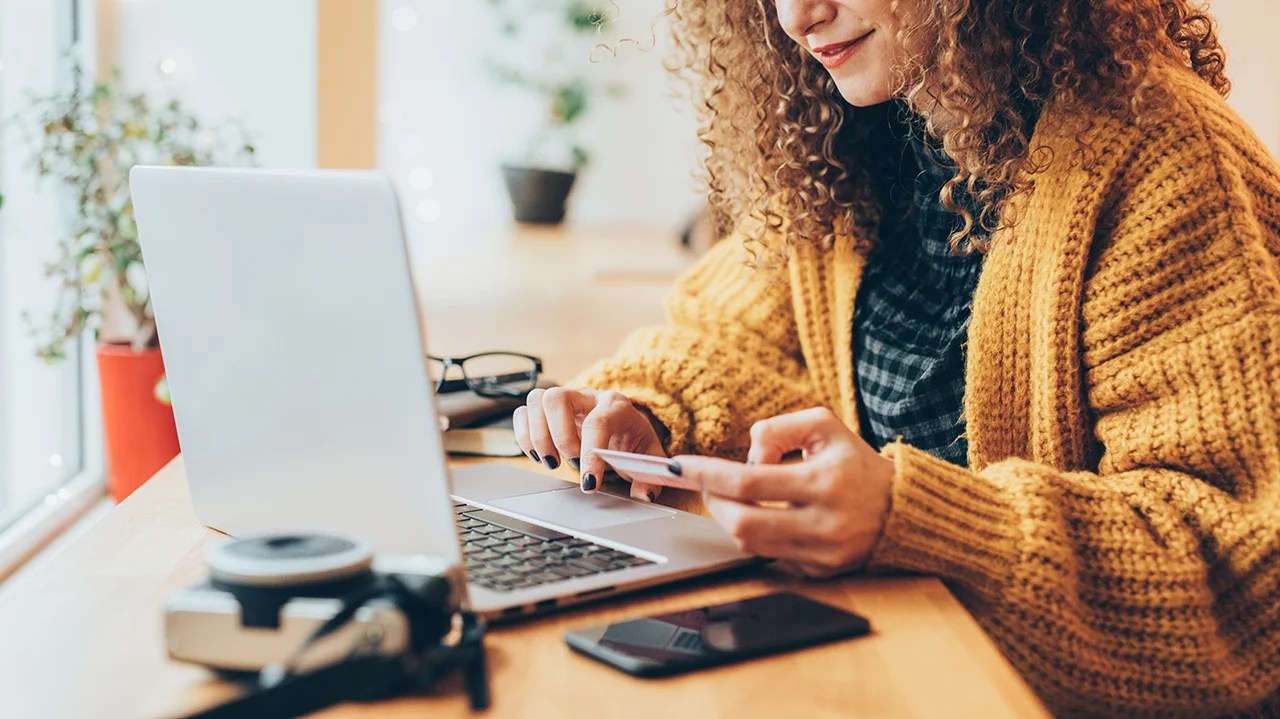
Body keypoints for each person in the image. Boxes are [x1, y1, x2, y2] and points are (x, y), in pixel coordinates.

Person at [514, 0, 1280, 714]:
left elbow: (1242, 583)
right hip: (917, 669)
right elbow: (728, 337)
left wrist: (914, 517)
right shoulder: (850, 137)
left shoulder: (1167, 158)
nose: (794, 15)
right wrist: (643, 407)